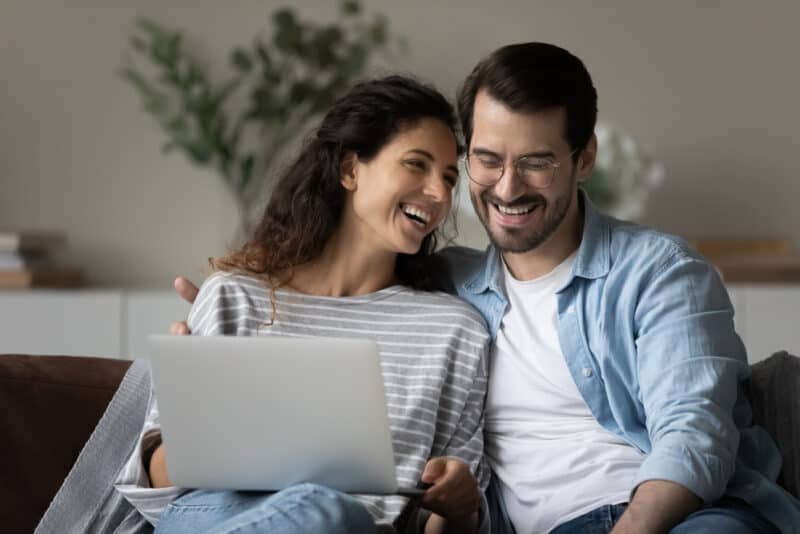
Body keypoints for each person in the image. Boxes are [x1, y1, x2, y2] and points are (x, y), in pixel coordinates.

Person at [173, 43, 800, 533]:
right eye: (485, 160)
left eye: (536, 161)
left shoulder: (657, 272)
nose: (505, 188)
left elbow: (693, 436)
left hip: (677, 520)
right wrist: (217, 348)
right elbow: (331, 289)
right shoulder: (452, 286)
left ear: (584, 159)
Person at [118, 75, 493, 534]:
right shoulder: (233, 296)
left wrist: (459, 508)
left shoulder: (454, 331)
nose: (439, 193)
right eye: (417, 165)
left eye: (449, 177)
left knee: (330, 512)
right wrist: (197, 414)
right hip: (214, 515)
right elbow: (156, 482)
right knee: (320, 507)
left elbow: (435, 523)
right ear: (350, 170)